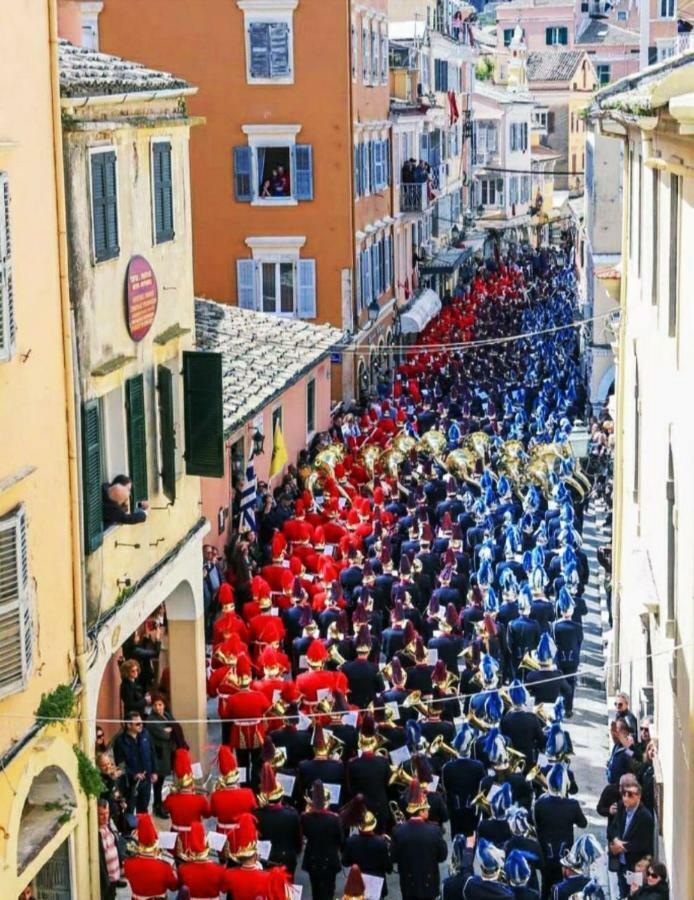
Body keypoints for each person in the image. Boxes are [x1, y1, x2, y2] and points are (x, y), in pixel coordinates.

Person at [391, 779, 448, 900]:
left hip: (408, 882)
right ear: (421, 811)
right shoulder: (434, 830)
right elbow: (442, 856)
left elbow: (394, 857)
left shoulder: (398, 831)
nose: (428, 810)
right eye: (426, 809)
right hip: (429, 881)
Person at [607, 781, 654, 898]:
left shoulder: (645, 817)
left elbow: (644, 844)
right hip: (620, 863)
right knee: (622, 892)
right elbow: (613, 827)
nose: (626, 798)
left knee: (634, 894)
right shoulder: (621, 806)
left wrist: (622, 847)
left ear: (638, 796)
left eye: (630, 795)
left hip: (634, 866)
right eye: (624, 794)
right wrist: (616, 840)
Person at [112, 711, 158, 814]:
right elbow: (120, 765)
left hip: (146, 781)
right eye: (137, 724)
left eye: (141, 723)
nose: (141, 725)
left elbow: (152, 753)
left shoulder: (145, 734)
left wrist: (154, 771)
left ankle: (141, 829)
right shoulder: (120, 742)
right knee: (129, 811)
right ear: (128, 725)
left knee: (143, 811)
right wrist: (134, 775)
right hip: (130, 784)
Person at [145, 694, 175, 818]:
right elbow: (165, 735)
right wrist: (169, 730)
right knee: (158, 783)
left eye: (160, 705)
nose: (158, 708)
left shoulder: (167, 715)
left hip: (167, 753)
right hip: (159, 755)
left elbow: (174, 727)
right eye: (155, 705)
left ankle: (159, 805)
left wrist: (170, 729)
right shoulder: (151, 720)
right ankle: (157, 807)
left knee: (161, 782)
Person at [97, 797, 125, 899]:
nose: (105, 817)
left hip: (114, 878)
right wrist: (106, 882)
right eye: (101, 814)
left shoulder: (108, 826)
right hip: (106, 883)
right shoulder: (97, 834)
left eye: (107, 813)